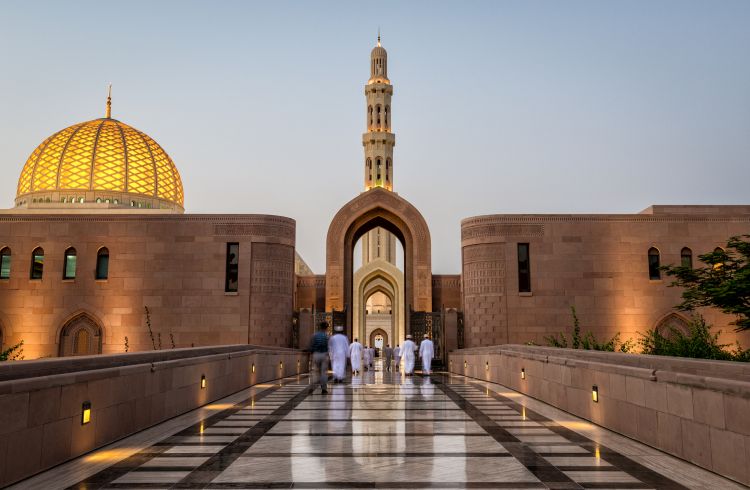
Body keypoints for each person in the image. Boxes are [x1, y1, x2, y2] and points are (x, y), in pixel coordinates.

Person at [308, 321, 330, 394]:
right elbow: (329, 346)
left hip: (316, 354)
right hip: (324, 355)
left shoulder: (314, 335)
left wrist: (312, 353)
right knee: (323, 373)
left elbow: (311, 346)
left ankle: (311, 387)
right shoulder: (327, 336)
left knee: (315, 372)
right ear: (326, 328)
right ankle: (324, 389)